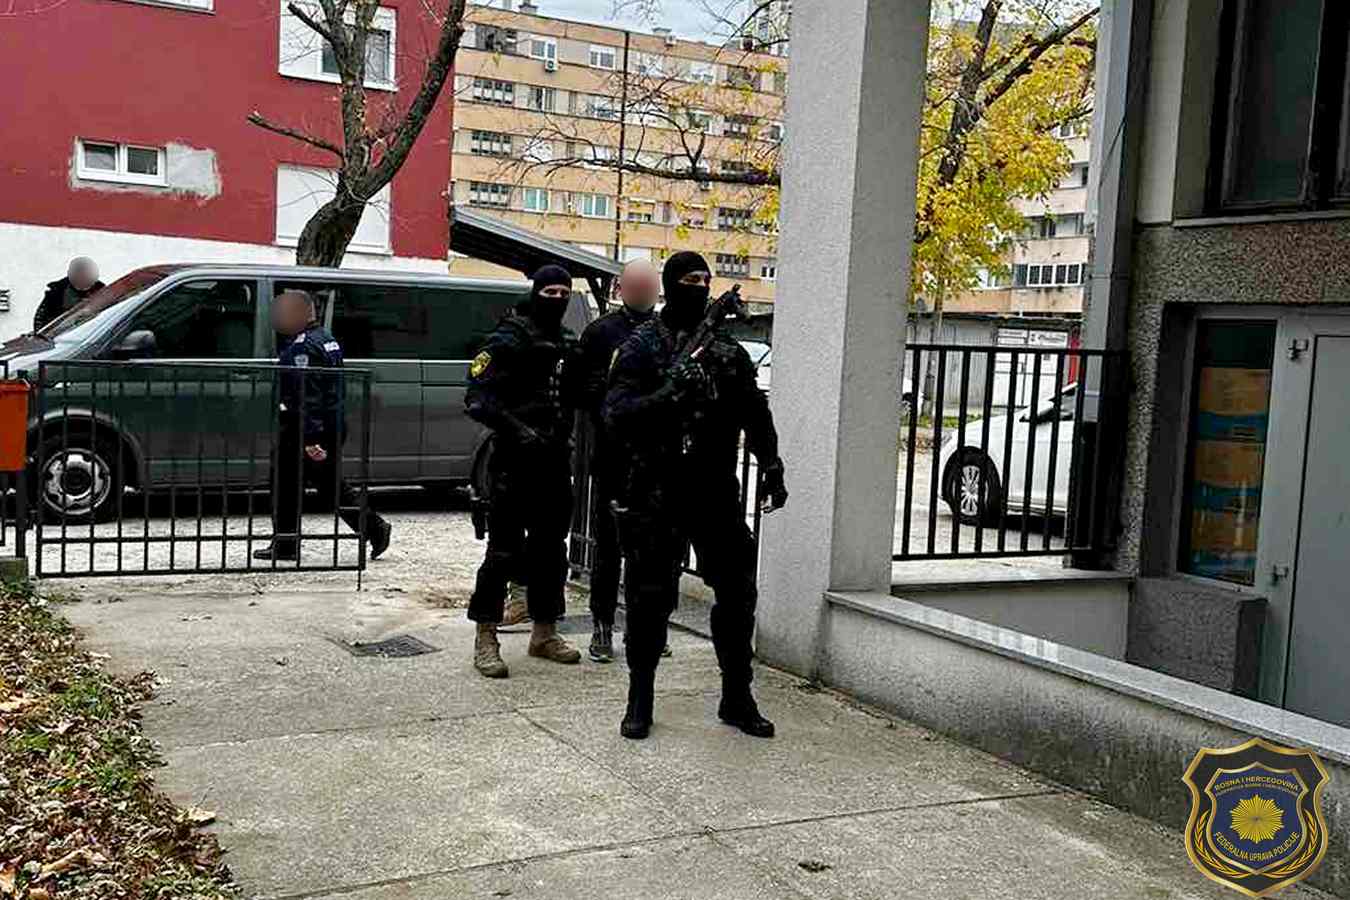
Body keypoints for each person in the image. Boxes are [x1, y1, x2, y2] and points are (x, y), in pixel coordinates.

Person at [604, 251, 789, 741]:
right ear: (669, 285)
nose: (701, 287)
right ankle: (640, 697)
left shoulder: (727, 351)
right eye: (690, 279)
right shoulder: (641, 346)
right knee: (648, 598)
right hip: (656, 490)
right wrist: (668, 396)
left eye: (706, 280)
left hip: (714, 490)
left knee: (738, 594)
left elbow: (755, 412)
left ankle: (737, 695)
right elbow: (616, 415)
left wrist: (771, 463)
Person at [465, 265, 583, 678]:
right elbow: (477, 399)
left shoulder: (566, 340)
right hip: (513, 462)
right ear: (536, 293)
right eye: (550, 292)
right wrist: (520, 430)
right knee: (502, 552)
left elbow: (575, 394)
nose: (558, 299)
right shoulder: (508, 338)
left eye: (564, 293)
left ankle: (544, 632)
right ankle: (486, 636)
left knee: (551, 551)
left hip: (553, 461)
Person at [254, 290, 392, 563]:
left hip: (305, 429)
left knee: (287, 484)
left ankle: (289, 544)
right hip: (325, 426)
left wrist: (310, 438)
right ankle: (372, 529)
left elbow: (307, 395)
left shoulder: (303, 347)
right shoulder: (326, 339)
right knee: (323, 485)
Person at [575, 260, 660, 663]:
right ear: (621, 288)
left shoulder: (666, 331)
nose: (643, 292)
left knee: (652, 551)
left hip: (654, 458)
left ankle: (647, 628)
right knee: (608, 549)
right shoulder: (600, 333)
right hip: (612, 457)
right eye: (636, 285)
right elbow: (577, 390)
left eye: (649, 285)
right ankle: (602, 625)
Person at [33, 257, 104, 332]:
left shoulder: (104, 293)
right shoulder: (56, 293)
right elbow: (40, 322)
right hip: (63, 335)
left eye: (86, 275)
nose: (82, 278)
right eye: (79, 274)